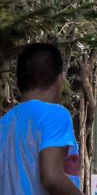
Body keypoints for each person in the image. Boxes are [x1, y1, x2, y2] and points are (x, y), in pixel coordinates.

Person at [0, 43, 82, 194]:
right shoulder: (55, 114)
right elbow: (51, 177)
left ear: (18, 84)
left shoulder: (4, 123)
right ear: (60, 79)